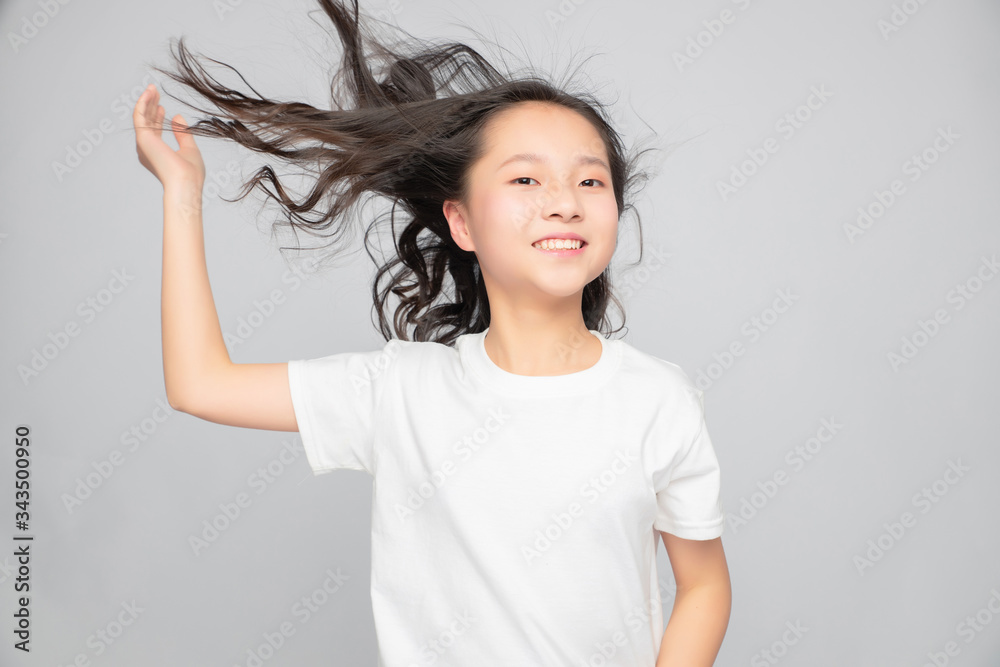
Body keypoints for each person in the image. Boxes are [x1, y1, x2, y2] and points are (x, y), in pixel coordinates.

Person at [132, 0, 731, 664]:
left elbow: (703, 585)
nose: (564, 199)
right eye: (526, 177)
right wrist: (181, 193)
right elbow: (200, 384)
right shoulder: (400, 392)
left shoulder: (658, 399)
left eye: (590, 179)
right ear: (462, 222)